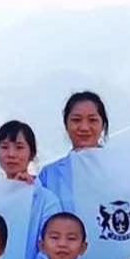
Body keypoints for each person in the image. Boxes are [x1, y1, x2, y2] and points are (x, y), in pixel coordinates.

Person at [0, 119, 63, 259]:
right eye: (4, 147)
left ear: (31, 154)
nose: (11, 154)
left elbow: (49, 251)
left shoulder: (47, 200)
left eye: (19, 147)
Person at [36, 91, 108, 219]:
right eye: (76, 120)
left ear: (102, 125)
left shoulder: (120, 168)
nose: (84, 127)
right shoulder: (49, 175)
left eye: (92, 120)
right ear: (66, 125)